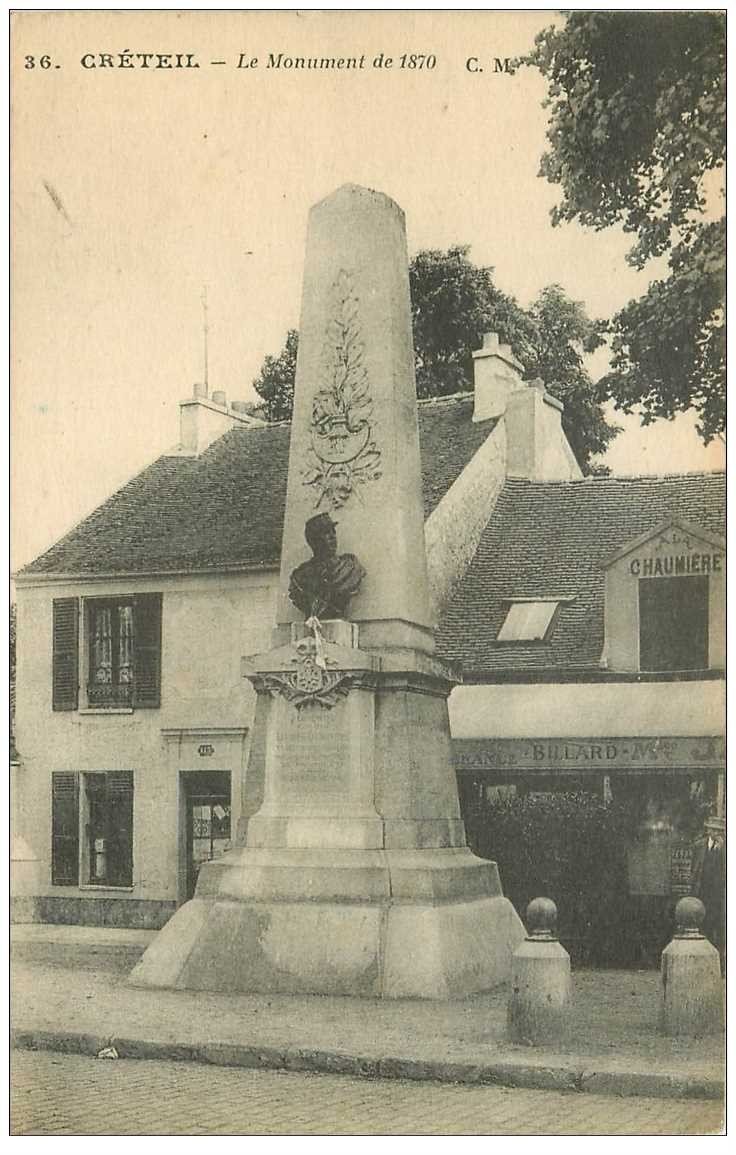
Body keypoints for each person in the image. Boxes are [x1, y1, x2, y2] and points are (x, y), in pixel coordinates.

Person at [288, 512, 365, 619]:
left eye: (333, 532)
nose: (332, 537)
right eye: (326, 533)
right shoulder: (300, 576)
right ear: (314, 541)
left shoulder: (350, 566)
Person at [691, 814, 725, 973]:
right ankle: (701, 965)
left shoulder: (725, 848)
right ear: (708, 830)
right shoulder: (699, 845)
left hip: (719, 895)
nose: (717, 833)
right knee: (701, 926)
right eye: (714, 830)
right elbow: (694, 870)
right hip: (702, 892)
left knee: (718, 928)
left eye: (719, 830)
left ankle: (719, 966)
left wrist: (722, 850)